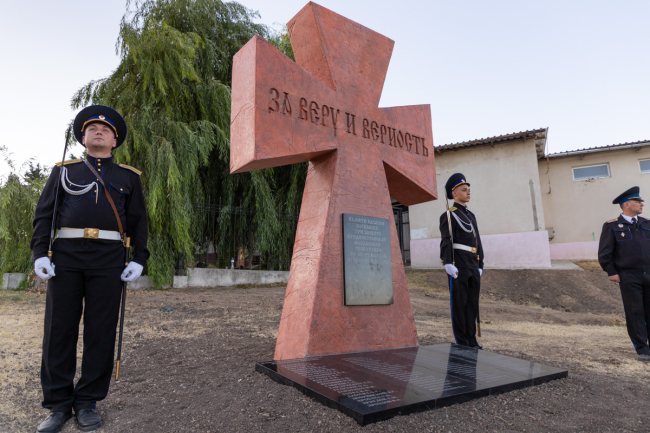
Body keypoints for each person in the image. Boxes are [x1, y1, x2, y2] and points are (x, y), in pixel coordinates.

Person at [30, 105, 149, 432]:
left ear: (114, 141)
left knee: (101, 330)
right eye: (92, 128)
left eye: (106, 130)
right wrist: (40, 253)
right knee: (59, 330)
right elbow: (44, 215)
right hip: (65, 256)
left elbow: (138, 221)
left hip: (109, 258)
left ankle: (87, 402)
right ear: (83, 138)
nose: (99, 131)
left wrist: (139, 258)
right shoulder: (63, 171)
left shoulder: (128, 177)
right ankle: (58, 404)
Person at [598, 186, 650, 362]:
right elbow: (605, 252)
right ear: (626, 204)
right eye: (638, 201)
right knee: (635, 312)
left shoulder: (647, 223)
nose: (642, 204)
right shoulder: (612, 226)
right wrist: (611, 271)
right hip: (628, 275)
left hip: (649, 273)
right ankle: (643, 349)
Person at [439, 173, 484, 348]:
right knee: (459, 305)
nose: (468, 192)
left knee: (472, 304)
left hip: (473, 264)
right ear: (454, 193)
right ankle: (462, 342)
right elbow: (446, 240)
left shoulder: (471, 215)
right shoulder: (449, 215)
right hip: (459, 265)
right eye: (464, 190)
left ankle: (472, 340)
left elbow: (477, 241)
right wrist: (447, 262)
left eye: (468, 189)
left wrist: (480, 263)